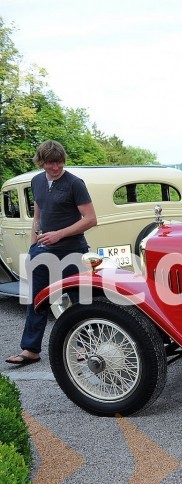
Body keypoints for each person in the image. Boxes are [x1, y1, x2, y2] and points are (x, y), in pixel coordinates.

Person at [6, 141, 97, 366]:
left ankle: (86, 346)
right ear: (41, 162)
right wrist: (33, 246)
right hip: (42, 252)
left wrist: (59, 234)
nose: (55, 167)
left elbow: (90, 219)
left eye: (59, 162)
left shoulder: (75, 183)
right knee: (36, 300)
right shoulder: (36, 181)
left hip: (72, 250)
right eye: (50, 163)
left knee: (79, 301)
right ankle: (30, 350)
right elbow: (38, 215)